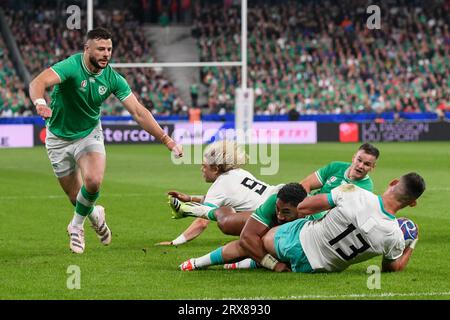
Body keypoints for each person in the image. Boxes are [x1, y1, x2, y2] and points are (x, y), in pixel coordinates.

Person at [28, 27, 183, 254]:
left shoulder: (112, 78)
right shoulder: (70, 66)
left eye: (109, 49)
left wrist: (167, 140)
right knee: (76, 197)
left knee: (93, 181)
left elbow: (139, 112)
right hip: (58, 138)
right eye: (101, 49)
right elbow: (37, 82)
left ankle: (76, 226)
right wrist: (40, 103)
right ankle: (95, 215)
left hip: (89, 133)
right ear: (87, 49)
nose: (106, 53)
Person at [183, 172, 425, 273]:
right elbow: (392, 268)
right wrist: (410, 243)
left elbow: (305, 207)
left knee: (254, 238)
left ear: (393, 183)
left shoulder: (354, 191)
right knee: (266, 243)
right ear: (411, 204)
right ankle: (242, 265)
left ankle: (196, 263)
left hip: (297, 242)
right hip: (319, 268)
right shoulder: (394, 236)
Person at [157, 140, 283, 246]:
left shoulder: (219, 186)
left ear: (216, 169)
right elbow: (226, 199)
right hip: (280, 199)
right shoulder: (240, 172)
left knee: (227, 224)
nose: (202, 169)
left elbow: (202, 221)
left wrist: (175, 242)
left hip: (272, 218)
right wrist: (190, 198)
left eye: (204, 166)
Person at [179, 183, 308, 271]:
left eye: (285, 212)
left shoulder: (316, 214)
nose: (280, 215)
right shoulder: (272, 203)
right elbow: (246, 238)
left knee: (274, 246)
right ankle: (202, 211)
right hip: (258, 216)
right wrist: (273, 265)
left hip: (272, 220)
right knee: (226, 223)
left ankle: (244, 263)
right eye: (278, 209)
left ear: (302, 208)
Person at [300, 142, 379, 220]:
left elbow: (343, 215)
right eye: (359, 160)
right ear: (353, 158)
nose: (361, 166)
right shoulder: (336, 166)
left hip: (323, 223)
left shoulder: (365, 188)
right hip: (306, 210)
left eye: (367, 164)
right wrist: (304, 203)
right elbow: (306, 184)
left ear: (372, 167)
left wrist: (311, 209)